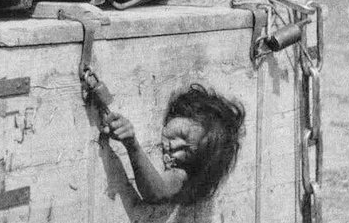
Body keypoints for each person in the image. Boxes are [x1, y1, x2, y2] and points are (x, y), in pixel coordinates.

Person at [101, 84, 245, 204]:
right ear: (181, 113)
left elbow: (158, 192)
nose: (175, 147)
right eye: (182, 134)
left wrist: (132, 145)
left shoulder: (183, 172)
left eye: (187, 153)